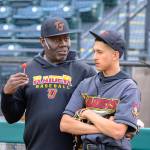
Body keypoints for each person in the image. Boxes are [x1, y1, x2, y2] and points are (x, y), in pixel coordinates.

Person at [1, 17, 96, 150]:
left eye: (66, 38)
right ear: (42, 41)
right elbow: (12, 117)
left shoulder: (84, 71)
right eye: (57, 40)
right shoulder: (27, 70)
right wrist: (7, 94)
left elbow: (98, 112)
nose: (63, 44)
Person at [60, 30, 141, 150]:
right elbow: (65, 124)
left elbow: (118, 131)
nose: (94, 57)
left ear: (115, 55)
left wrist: (88, 113)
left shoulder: (129, 87)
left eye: (100, 52)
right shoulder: (86, 84)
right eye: (94, 51)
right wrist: (105, 127)